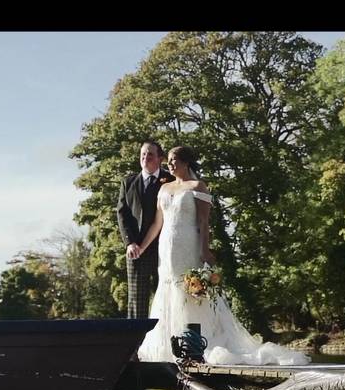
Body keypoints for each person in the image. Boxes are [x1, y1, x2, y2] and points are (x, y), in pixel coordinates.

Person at [133, 146, 309, 365]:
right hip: (166, 248)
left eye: (174, 159)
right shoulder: (164, 188)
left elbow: (204, 222)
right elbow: (157, 223)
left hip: (188, 244)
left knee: (189, 293)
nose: (170, 164)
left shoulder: (198, 186)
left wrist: (204, 250)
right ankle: (170, 347)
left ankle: (196, 344)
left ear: (186, 162)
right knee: (167, 289)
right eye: (168, 160)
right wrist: (141, 246)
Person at [117, 140, 172, 318]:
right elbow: (122, 214)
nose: (145, 158)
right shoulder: (128, 182)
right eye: (142, 154)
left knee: (165, 296)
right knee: (136, 299)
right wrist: (129, 242)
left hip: (164, 248)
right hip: (136, 249)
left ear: (160, 159)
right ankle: (135, 343)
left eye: (150, 154)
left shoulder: (170, 180)